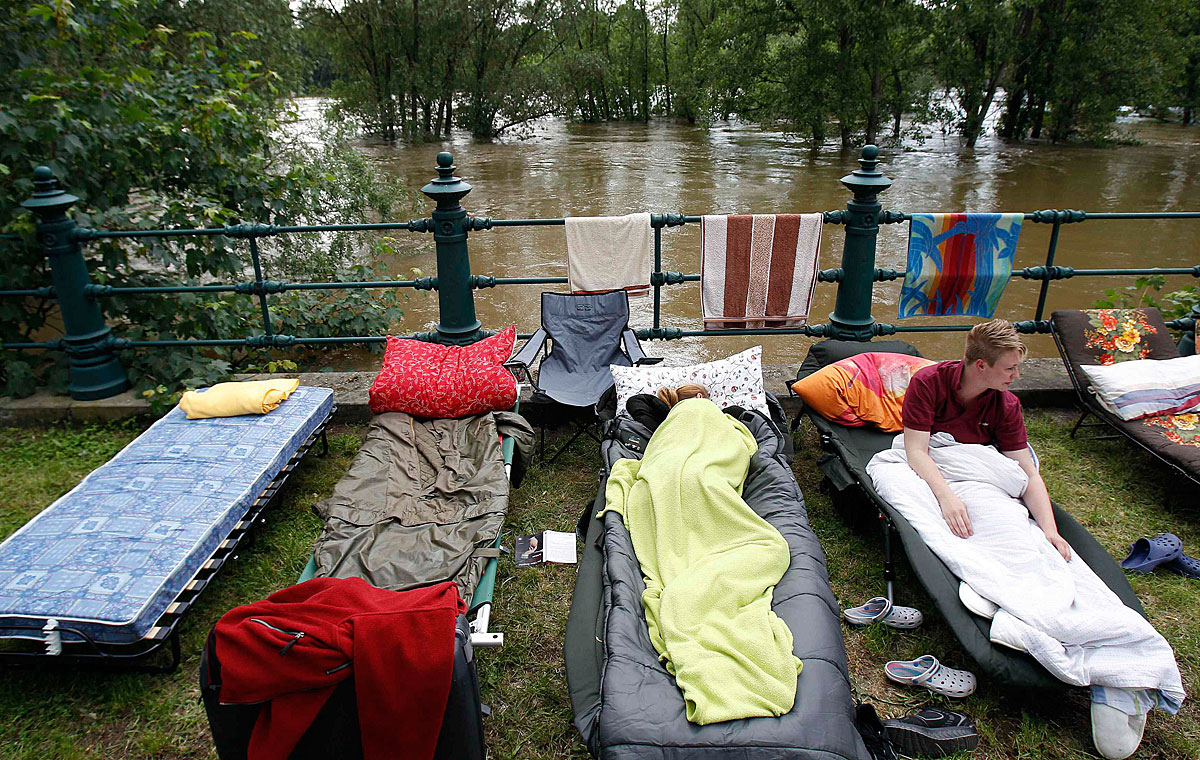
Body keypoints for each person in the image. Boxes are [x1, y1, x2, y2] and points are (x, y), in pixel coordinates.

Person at [901, 319, 1071, 562]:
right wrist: (947, 497)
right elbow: (916, 451)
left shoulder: (1007, 404)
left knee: (1009, 532)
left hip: (979, 473)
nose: (1017, 375)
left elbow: (1028, 474)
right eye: (1010, 368)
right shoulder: (928, 383)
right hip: (938, 467)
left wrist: (1050, 531)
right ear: (981, 365)